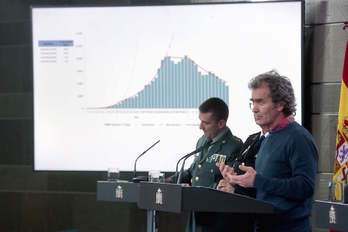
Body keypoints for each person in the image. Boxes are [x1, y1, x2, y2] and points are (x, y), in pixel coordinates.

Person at [218, 70, 318, 232]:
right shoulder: (267, 138)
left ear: (280, 104)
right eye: (253, 102)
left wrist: (258, 181)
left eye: (261, 102)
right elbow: (264, 191)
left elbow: (305, 187)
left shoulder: (298, 138)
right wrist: (237, 182)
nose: (254, 109)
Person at [168, 97, 243, 232]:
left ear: (221, 124)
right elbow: (193, 171)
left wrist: (196, 191)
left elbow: (228, 182)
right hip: (196, 213)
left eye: (205, 123)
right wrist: (167, 181)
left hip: (217, 218)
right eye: (200, 121)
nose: (200, 127)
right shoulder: (202, 141)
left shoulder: (234, 146)